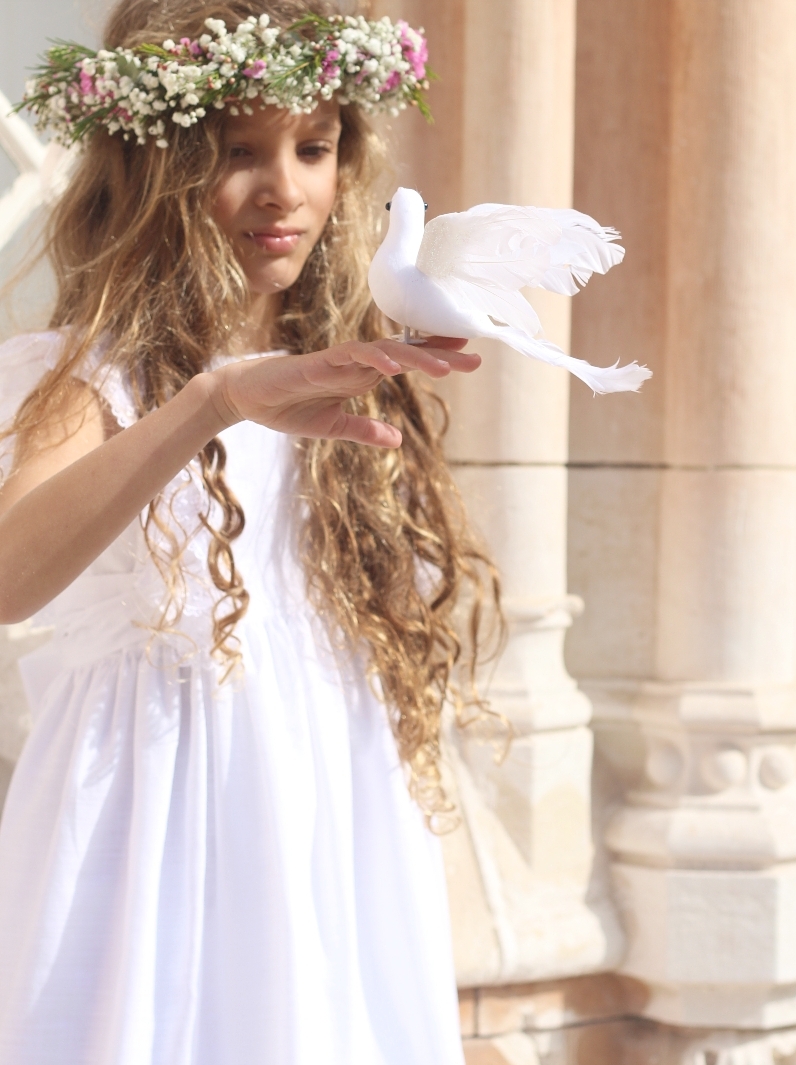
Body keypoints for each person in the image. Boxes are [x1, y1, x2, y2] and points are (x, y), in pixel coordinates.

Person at [0, 2, 502, 1063]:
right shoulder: (89, 376)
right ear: (157, 170)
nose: (286, 190)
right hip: (149, 827)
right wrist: (213, 403)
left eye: (313, 148)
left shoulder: (354, 376)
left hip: (327, 807)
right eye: (238, 153)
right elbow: (8, 578)